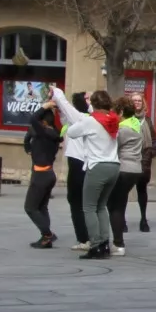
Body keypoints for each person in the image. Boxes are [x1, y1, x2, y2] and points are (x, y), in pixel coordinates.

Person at [51, 89, 122, 259]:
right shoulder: (114, 120)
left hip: (97, 166)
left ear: (94, 104)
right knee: (101, 206)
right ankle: (105, 243)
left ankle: (95, 245)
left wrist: (83, 116)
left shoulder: (90, 121)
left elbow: (72, 132)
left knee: (89, 207)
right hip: (114, 166)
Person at [107, 96, 146, 255]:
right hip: (135, 169)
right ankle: (118, 238)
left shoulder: (123, 129)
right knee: (120, 203)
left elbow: (111, 147)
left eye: (115, 112)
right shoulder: (137, 125)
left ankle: (118, 244)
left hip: (123, 168)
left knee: (114, 206)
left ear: (121, 112)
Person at [23, 101, 62, 249]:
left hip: (40, 175)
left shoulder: (44, 133)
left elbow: (32, 118)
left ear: (43, 122)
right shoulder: (55, 134)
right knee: (42, 207)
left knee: (30, 208)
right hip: (49, 173)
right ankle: (46, 238)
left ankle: (47, 234)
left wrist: (45, 106)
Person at [62, 92, 91, 252]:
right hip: (85, 163)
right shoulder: (93, 119)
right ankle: (91, 237)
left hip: (79, 162)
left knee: (76, 201)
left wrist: (55, 93)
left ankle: (84, 238)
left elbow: (63, 103)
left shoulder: (81, 118)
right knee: (85, 202)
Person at [131, 90, 155, 233]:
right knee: (123, 191)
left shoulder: (147, 120)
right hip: (129, 159)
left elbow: (153, 139)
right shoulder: (126, 119)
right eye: (134, 100)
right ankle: (122, 221)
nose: (137, 103)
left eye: (139, 100)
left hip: (144, 161)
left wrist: (150, 155)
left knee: (142, 190)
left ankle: (143, 219)